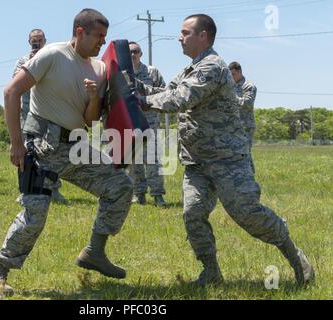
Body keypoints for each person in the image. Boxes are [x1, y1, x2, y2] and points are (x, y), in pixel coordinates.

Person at [138, 14, 314, 286]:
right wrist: (131, 85)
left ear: (203, 36)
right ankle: (211, 273)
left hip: (227, 160)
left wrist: (143, 101)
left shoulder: (213, 66)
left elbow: (180, 98)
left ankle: (295, 255)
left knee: (248, 214)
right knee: (193, 214)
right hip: (197, 162)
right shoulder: (189, 69)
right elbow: (164, 90)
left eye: (185, 32)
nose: (179, 37)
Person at [0, 9, 133, 298]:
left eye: (105, 37)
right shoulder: (52, 55)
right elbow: (11, 92)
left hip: (76, 145)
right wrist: (16, 142)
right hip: (42, 145)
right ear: (80, 32)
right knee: (35, 216)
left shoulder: (99, 70)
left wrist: (94, 98)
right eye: (98, 36)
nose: (102, 43)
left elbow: (90, 119)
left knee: (120, 185)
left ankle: (94, 252)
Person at [13, 28, 68, 204]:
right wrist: (30, 63)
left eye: (39, 40)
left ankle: (54, 190)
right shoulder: (22, 61)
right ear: (29, 42)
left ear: (45, 40)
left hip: (49, 113)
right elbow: (14, 83)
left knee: (50, 151)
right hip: (28, 114)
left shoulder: (53, 58)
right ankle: (26, 190)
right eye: (33, 40)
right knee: (27, 153)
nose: (36, 43)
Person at [128, 41, 167, 207]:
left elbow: (165, 92)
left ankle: (158, 195)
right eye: (129, 52)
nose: (132, 54)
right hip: (130, 123)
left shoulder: (152, 72)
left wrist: (145, 91)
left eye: (135, 51)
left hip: (150, 123)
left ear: (141, 53)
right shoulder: (123, 74)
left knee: (153, 162)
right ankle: (139, 194)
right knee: (134, 162)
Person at [229, 61, 257, 172]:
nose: (231, 77)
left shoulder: (249, 86)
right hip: (233, 126)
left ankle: (250, 177)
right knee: (234, 154)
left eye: (233, 74)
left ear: (239, 71)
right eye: (229, 75)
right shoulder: (230, 86)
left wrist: (231, 97)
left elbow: (247, 103)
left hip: (246, 125)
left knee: (245, 152)